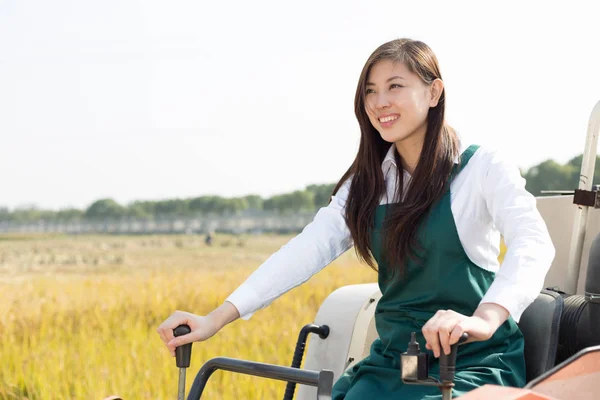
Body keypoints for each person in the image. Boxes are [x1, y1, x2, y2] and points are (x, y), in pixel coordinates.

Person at [156, 38, 555, 399]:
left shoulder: (481, 168)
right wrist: (216, 318)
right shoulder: (368, 183)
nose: (380, 101)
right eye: (370, 91)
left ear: (434, 92)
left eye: (395, 86)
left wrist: (484, 320)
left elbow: (533, 243)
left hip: (472, 361)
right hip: (400, 360)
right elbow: (305, 250)